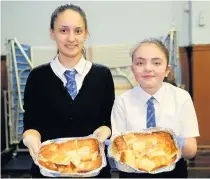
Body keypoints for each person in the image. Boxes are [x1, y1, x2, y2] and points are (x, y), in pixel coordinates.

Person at [22, 4, 115, 178]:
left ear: (86, 34)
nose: (71, 38)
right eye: (64, 31)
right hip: (49, 170)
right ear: (52, 33)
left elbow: (108, 121)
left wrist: (104, 131)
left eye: (78, 31)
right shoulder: (37, 76)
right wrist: (31, 138)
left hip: (93, 171)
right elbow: (31, 125)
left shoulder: (102, 75)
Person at [111, 38, 200, 178]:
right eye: (140, 63)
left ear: (167, 70)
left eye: (156, 63)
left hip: (173, 172)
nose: (148, 68)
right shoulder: (122, 102)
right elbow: (118, 150)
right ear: (132, 69)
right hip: (133, 172)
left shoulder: (182, 98)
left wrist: (174, 143)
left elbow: (191, 151)